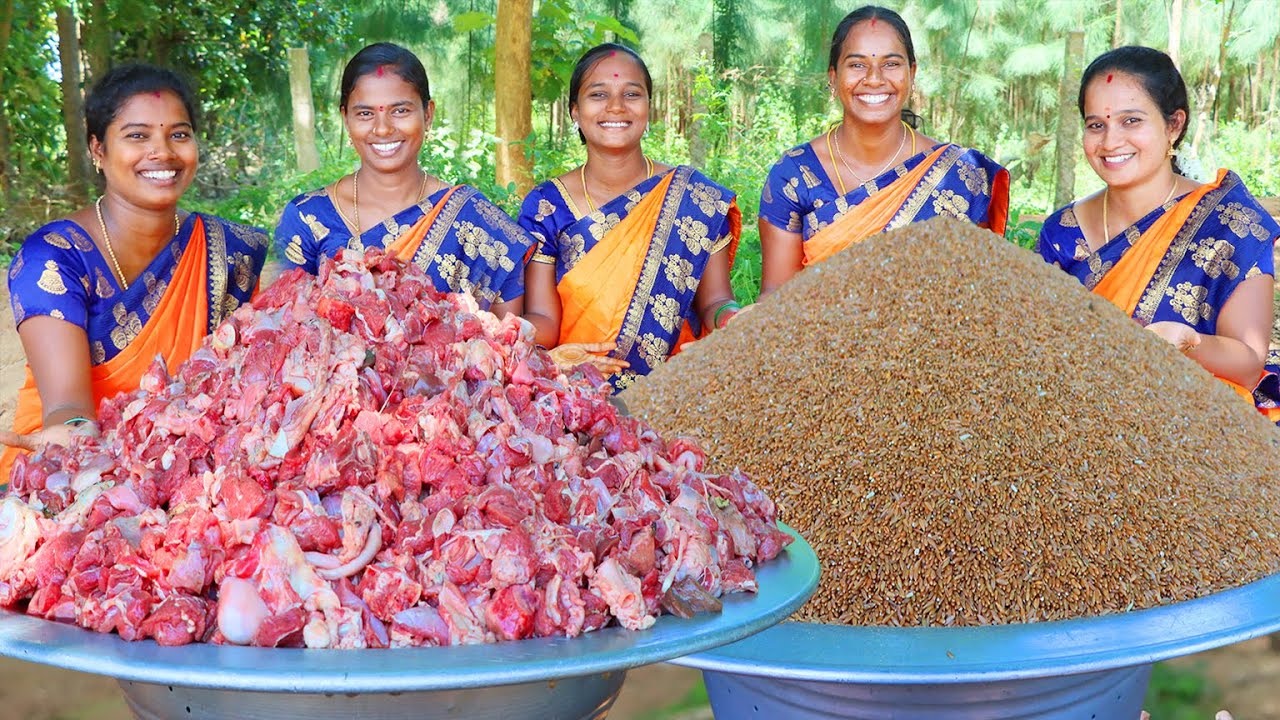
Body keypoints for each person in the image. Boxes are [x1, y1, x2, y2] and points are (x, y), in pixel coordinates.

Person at [0, 64, 269, 481]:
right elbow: (66, 406)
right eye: (137, 136)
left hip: (188, 466)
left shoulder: (231, 250)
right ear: (98, 150)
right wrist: (77, 438)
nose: (162, 152)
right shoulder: (53, 259)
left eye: (178, 134)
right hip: (67, 469)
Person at [1037, 46, 1280, 419]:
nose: (1110, 141)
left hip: (1198, 422)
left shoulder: (1230, 223)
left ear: (1174, 125)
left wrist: (1188, 342)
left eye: (1131, 121)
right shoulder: (1062, 233)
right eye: (1096, 124)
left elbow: (1247, 363)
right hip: (1082, 419)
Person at [517, 43, 742, 392]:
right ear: (575, 111)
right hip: (576, 392)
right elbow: (545, 319)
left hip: (674, 392)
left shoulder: (694, 196)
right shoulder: (546, 206)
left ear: (649, 107)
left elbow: (714, 301)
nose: (616, 106)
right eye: (598, 94)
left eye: (631, 93)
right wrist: (516, 344)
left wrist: (731, 317)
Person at [758, 5, 1010, 298]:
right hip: (820, 340)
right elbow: (776, 297)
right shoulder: (794, 174)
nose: (874, 78)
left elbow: (978, 297)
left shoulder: (959, 173)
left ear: (912, 73)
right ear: (833, 76)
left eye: (891, 64)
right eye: (856, 65)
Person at [275, 43, 532, 317]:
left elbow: (509, 339)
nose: (383, 128)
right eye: (365, 113)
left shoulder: (471, 217)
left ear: (428, 114)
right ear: (346, 119)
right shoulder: (307, 217)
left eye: (400, 111)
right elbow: (285, 330)